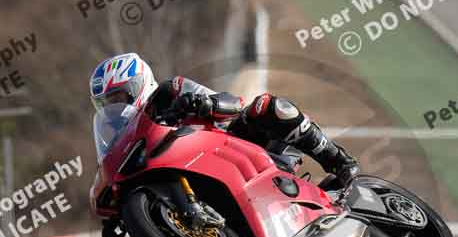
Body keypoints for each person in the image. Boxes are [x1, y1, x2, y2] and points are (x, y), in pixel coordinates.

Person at [89, 53, 359, 186]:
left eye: (120, 97)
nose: (117, 107)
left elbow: (234, 104)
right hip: (205, 174)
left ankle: (338, 159)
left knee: (267, 107)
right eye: (108, 104)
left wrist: (206, 103)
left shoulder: (170, 91)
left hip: (237, 143)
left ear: (139, 84)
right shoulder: (129, 142)